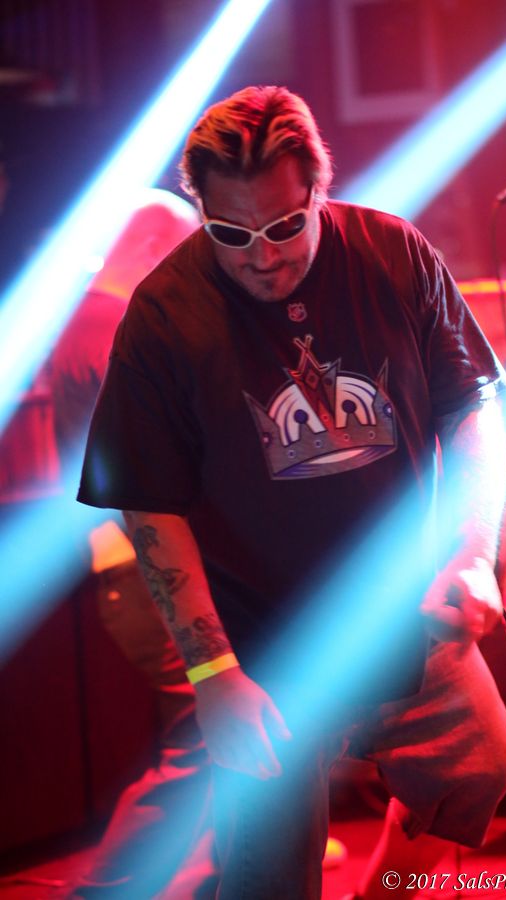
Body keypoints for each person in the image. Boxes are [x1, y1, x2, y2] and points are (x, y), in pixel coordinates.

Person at [77, 85, 506, 900]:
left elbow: (473, 405)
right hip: (262, 643)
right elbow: (150, 504)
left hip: (403, 610)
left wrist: (473, 551)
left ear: (319, 190)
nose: (262, 256)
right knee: (270, 873)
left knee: (480, 767)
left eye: (284, 226)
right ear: (199, 210)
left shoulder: (393, 253)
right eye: (231, 234)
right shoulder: (164, 314)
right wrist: (213, 672)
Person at [47, 188, 220, 899]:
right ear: (153, 246)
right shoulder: (114, 325)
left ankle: (234, 867)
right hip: (149, 572)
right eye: (182, 252)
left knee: (220, 725)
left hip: (132, 570)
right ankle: (108, 887)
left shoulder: (83, 324)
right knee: (207, 729)